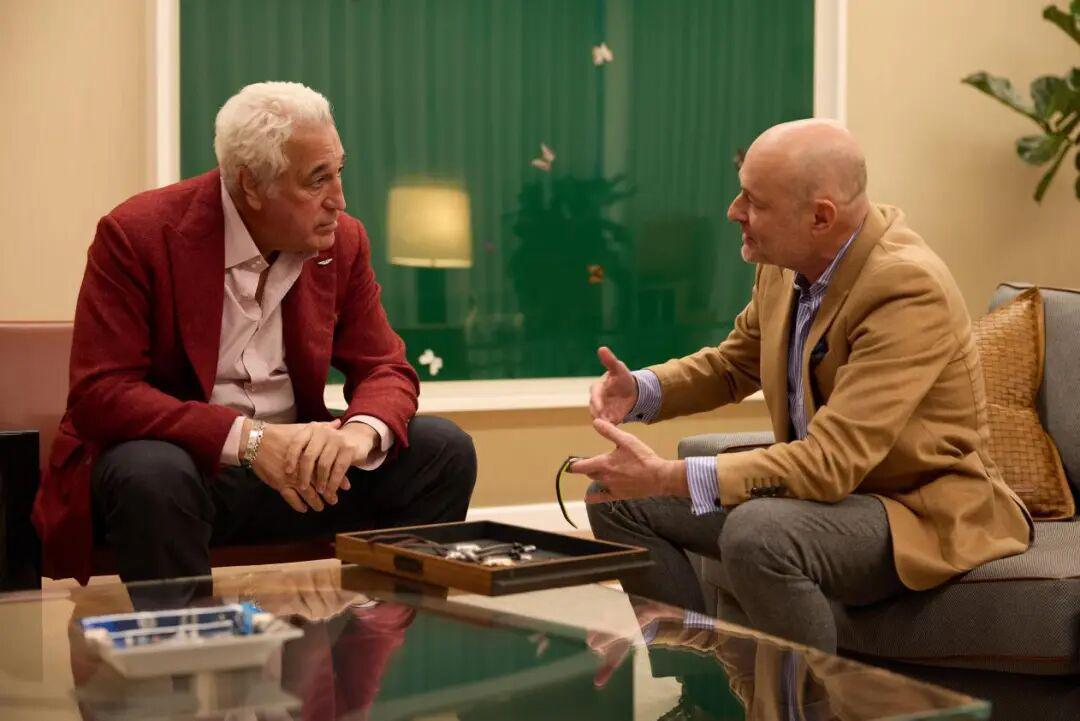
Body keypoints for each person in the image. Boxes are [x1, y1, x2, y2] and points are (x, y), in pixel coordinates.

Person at [572, 119, 1032, 653]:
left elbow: (830, 462)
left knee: (760, 533)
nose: (734, 211)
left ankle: (808, 697)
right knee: (616, 499)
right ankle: (698, 683)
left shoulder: (906, 287)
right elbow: (732, 364)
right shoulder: (785, 265)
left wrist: (667, 476)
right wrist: (641, 390)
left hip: (914, 509)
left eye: (754, 201)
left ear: (820, 217)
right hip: (830, 496)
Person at [32, 82, 477, 585]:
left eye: (339, 172)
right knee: (152, 472)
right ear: (250, 186)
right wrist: (250, 441)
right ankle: (187, 636)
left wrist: (356, 436)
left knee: (443, 449)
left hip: (301, 477)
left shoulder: (343, 241)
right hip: (191, 470)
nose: (339, 199)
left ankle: (385, 625)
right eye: (317, 180)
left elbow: (385, 367)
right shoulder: (138, 234)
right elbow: (102, 394)